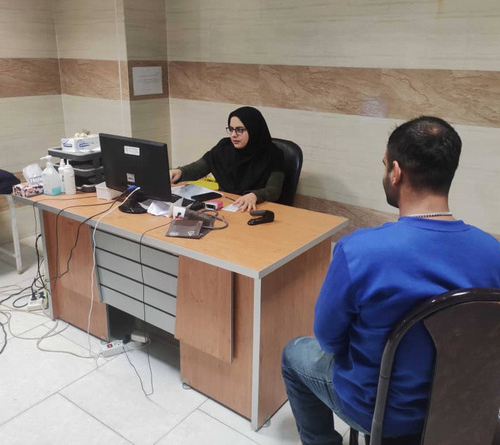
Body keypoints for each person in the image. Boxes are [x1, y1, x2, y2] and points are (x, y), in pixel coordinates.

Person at [281, 116, 500, 444]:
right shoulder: (493, 253)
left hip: (380, 412)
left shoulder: (359, 251)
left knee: (294, 353)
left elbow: (328, 339)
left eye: (385, 165)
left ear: (396, 172)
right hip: (458, 406)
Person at [170, 106, 285, 212]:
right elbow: (198, 168)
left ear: (253, 129)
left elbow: (274, 190)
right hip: (225, 205)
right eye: (231, 129)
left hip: (255, 208)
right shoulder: (224, 147)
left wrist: (255, 195)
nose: (233, 135)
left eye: (240, 130)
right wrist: (179, 172)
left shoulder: (273, 154)